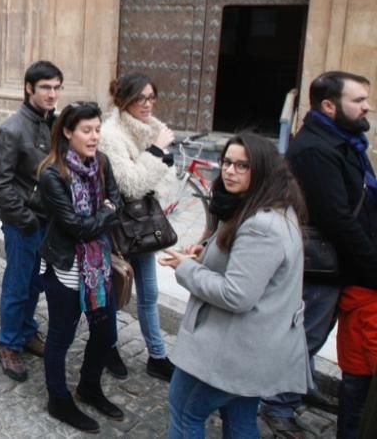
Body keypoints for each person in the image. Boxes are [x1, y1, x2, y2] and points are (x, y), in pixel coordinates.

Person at [160, 132, 309, 438]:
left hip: (231, 351)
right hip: (251, 351)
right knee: (240, 419)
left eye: (242, 166)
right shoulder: (268, 206)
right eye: (227, 162)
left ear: (263, 170)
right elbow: (251, 267)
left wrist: (187, 269)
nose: (229, 170)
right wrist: (207, 254)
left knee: (185, 412)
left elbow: (236, 294)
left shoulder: (261, 224)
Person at [261, 70, 377, 437]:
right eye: (358, 100)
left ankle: (299, 388)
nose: (367, 107)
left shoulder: (346, 140)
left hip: (341, 261)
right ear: (329, 106)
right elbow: (337, 218)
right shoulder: (315, 149)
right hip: (321, 264)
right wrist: (371, 264)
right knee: (305, 336)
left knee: (314, 334)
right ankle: (278, 406)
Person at [35, 101, 123, 433]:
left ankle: (88, 386)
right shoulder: (52, 173)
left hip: (98, 268)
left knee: (106, 333)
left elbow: (118, 200)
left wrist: (101, 213)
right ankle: (58, 399)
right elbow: (75, 226)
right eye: (87, 130)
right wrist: (105, 212)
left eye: (98, 129)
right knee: (61, 336)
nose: (94, 136)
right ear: (68, 132)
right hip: (66, 269)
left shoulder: (102, 162)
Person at [97, 73, 177, 382]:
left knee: (150, 293)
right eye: (140, 98)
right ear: (124, 100)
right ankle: (110, 347)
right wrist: (155, 152)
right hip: (118, 226)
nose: (147, 104)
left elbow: (167, 176)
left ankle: (157, 355)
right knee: (117, 287)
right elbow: (130, 185)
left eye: (151, 97)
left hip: (143, 223)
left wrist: (154, 160)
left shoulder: (153, 129)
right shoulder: (110, 134)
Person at [0, 60, 62, 382]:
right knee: (17, 285)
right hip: (23, 223)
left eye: (57, 87)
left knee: (35, 284)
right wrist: (25, 218)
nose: (52, 94)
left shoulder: (54, 124)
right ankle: (9, 344)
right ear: (29, 88)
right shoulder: (12, 128)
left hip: (48, 222)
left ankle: (27, 330)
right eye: (45, 87)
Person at [337, 285, 377, 438]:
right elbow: (373, 344)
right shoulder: (373, 303)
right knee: (358, 416)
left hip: (350, 364)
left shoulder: (354, 295)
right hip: (366, 371)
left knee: (348, 412)